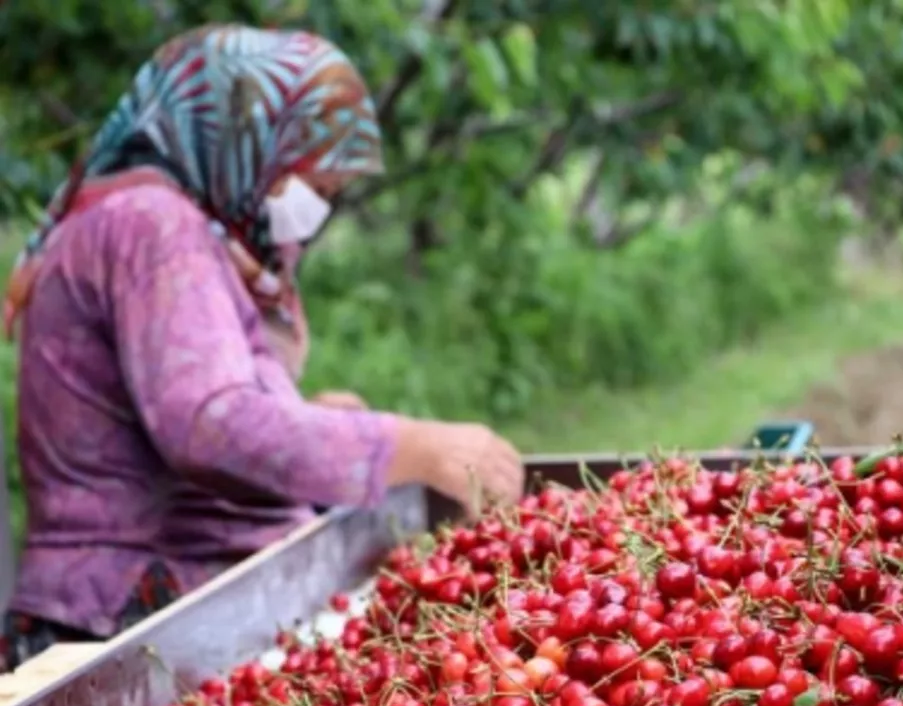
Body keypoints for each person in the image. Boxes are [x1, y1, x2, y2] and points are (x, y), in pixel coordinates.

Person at [0, 24, 525, 670]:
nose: (316, 210)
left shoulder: (155, 227)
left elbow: (189, 401)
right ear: (246, 140)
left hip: (152, 606)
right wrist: (407, 447)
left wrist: (318, 423)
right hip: (129, 620)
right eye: (312, 183)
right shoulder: (152, 226)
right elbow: (211, 424)